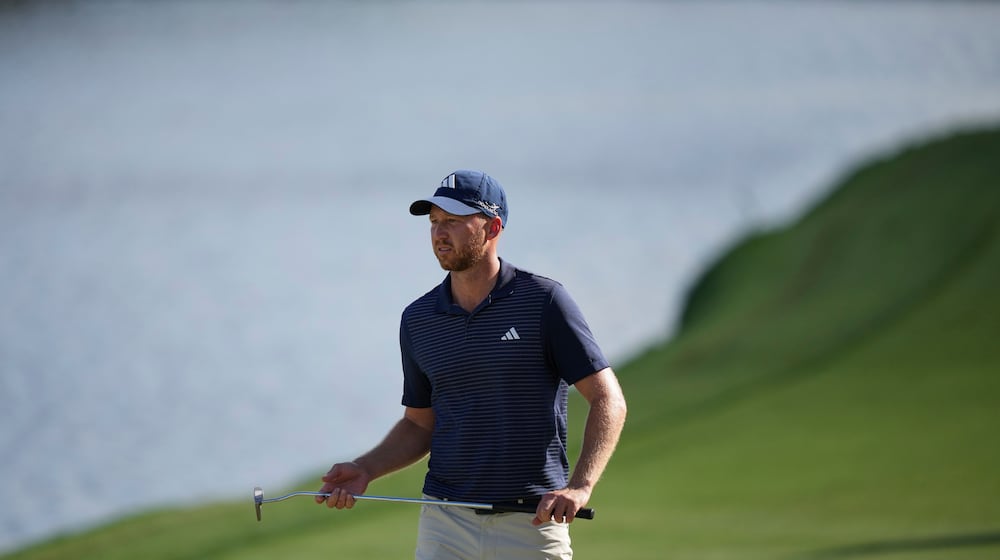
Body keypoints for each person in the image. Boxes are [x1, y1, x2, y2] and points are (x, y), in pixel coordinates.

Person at [316, 169, 627, 559]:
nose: (439, 233)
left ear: (493, 227)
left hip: (530, 523)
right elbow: (419, 423)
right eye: (433, 222)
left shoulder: (544, 302)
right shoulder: (418, 319)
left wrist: (581, 486)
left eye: (454, 222)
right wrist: (366, 468)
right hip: (445, 523)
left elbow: (608, 400)